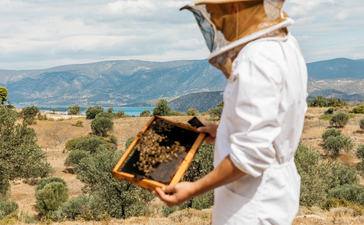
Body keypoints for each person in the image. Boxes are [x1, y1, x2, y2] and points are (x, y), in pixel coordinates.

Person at [154, 0, 308, 224]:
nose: (213, 21)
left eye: (215, 11)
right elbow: (276, 121)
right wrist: (226, 129)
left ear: (234, 8)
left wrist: (194, 188)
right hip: (275, 191)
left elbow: (251, 156)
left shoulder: (256, 58)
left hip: (250, 203)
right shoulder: (286, 45)